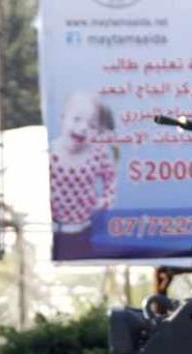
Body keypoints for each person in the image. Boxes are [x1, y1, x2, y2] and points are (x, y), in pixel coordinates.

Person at [50, 92, 117, 256]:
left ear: (99, 131)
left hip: (86, 229)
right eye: (77, 119)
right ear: (63, 118)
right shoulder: (51, 153)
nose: (83, 128)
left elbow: (111, 177)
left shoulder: (98, 153)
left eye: (92, 125)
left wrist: (106, 200)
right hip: (55, 230)